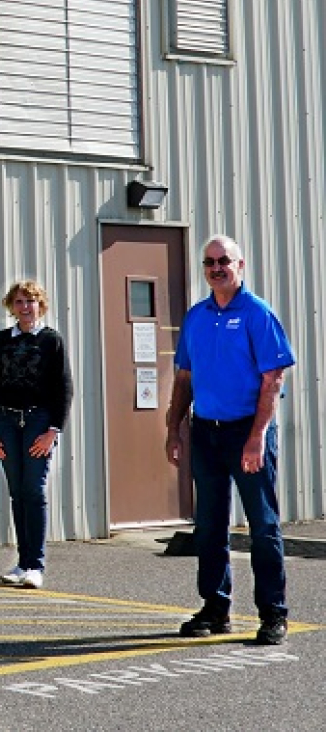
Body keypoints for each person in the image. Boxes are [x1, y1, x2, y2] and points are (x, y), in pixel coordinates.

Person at [165, 234, 295, 646]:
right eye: (209, 262)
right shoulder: (197, 317)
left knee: (262, 526)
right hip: (207, 433)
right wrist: (174, 427)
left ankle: (273, 613)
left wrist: (257, 437)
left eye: (224, 260)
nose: (216, 268)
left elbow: (273, 379)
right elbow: (185, 377)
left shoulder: (257, 313)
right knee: (209, 525)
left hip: (247, 432)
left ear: (240, 266)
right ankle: (215, 607)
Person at [0, 279, 74, 591]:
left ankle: (36, 565)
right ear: (11, 307)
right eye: (19, 302)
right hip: (4, 421)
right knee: (17, 492)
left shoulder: (51, 341)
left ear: (40, 305)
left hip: (38, 422)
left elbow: (64, 389)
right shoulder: (2, 340)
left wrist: (53, 430)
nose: (25, 307)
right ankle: (23, 561)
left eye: (30, 301)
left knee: (34, 489)